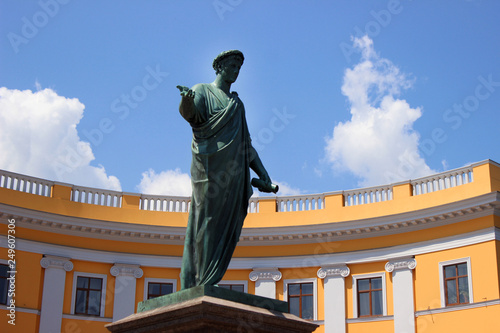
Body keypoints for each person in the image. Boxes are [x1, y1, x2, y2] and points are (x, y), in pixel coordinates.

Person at [177, 50, 275, 289]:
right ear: (219, 67)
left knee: (225, 226)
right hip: (208, 170)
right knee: (206, 221)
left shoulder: (237, 105)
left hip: (233, 174)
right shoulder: (202, 90)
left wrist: (264, 174)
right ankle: (199, 279)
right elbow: (193, 116)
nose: (236, 72)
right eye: (232, 66)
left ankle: (209, 280)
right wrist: (187, 101)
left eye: (238, 68)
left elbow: (246, 146)